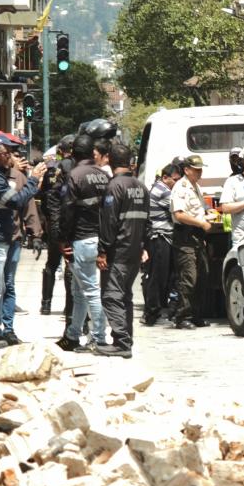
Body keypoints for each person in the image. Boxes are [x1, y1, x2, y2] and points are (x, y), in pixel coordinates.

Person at [0, 135, 45, 348]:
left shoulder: (6, 173)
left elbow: (28, 204)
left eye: (11, 153)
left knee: (6, 285)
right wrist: (33, 179)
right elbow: (15, 200)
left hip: (8, 237)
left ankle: (1, 329)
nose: (11, 157)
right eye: (7, 153)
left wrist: (34, 231)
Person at [57, 134, 111, 352]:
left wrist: (62, 239)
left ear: (74, 154)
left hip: (81, 239)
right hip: (99, 239)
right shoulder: (103, 176)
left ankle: (98, 338)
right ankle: (72, 335)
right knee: (78, 290)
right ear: (92, 153)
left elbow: (67, 210)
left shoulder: (74, 176)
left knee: (89, 291)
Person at [96, 144, 148, 358]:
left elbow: (109, 222)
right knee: (125, 296)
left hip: (118, 250)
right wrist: (144, 246)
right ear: (130, 162)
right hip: (135, 250)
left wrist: (102, 251)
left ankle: (122, 342)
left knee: (110, 295)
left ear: (109, 160)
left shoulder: (114, 187)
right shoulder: (141, 187)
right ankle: (124, 339)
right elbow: (148, 221)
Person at [170, 154, 217, 329]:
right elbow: (179, 215)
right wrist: (202, 223)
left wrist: (209, 213)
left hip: (197, 236)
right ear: (187, 170)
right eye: (196, 170)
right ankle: (183, 316)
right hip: (185, 235)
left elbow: (200, 208)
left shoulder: (195, 186)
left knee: (201, 277)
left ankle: (196, 314)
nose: (199, 172)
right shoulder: (180, 188)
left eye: (200, 169)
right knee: (188, 277)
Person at [142, 161, 182, 326]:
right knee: (158, 277)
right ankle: (152, 314)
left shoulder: (159, 188)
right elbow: (179, 210)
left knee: (163, 276)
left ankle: (156, 312)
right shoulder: (163, 191)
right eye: (175, 179)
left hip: (162, 238)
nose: (177, 183)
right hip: (160, 239)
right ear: (165, 178)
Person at [40, 135, 75, 316]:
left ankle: (46, 304)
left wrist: (50, 222)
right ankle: (70, 307)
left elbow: (47, 198)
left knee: (51, 265)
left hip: (55, 223)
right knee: (72, 266)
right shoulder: (80, 168)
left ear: (60, 151)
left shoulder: (53, 170)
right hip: (73, 226)